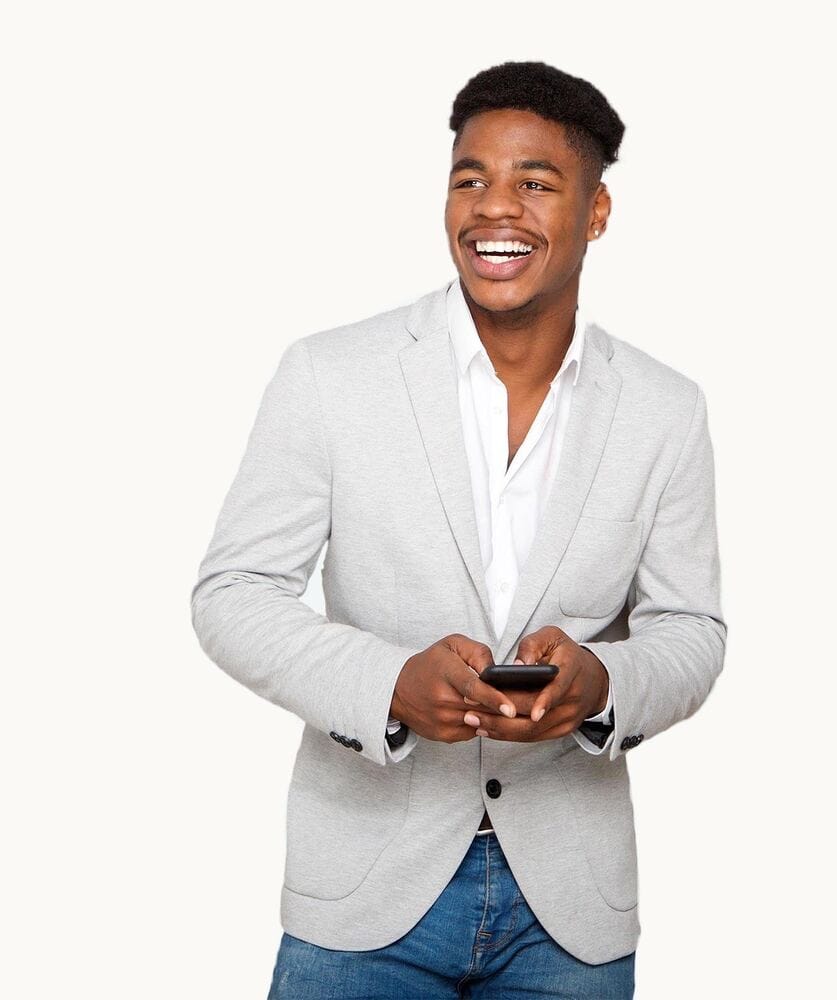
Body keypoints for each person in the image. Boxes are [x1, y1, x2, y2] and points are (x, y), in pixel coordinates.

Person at [191, 59, 727, 1000]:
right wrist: (389, 684)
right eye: (470, 179)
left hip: (569, 910)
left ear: (597, 212)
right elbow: (233, 595)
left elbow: (692, 631)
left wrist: (604, 686)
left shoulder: (665, 408)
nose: (495, 208)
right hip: (362, 895)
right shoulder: (329, 375)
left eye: (536, 182)